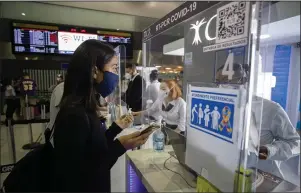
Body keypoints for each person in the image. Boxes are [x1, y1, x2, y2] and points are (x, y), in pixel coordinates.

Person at [52, 39, 152, 192]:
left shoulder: (85, 109)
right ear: (94, 71)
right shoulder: (74, 116)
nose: (116, 75)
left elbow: (93, 149)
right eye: (114, 68)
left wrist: (115, 130)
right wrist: (120, 146)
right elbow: (84, 172)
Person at [215, 63, 300, 182]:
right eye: (218, 82)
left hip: (261, 177)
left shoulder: (270, 109)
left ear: (244, 81)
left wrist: (266, 152)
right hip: (228, 172)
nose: (221, 86)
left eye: (227, 81)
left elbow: (294, 143)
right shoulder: (219, 107)